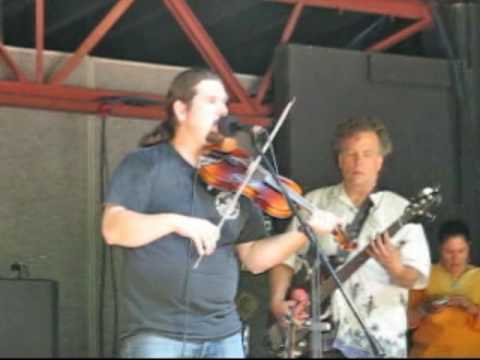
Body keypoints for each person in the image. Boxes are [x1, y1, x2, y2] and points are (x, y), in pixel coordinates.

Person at [101, 68, 341, 358]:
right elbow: (113, 229)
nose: (224, 110)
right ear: (181, 109)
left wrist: (306, 232)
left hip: (223, 335)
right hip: (157, 334)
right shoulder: (145, 164)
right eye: (211, 100)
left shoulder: (238, 176)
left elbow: (253, 258)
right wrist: (177, 222)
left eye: (225, 102)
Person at [269, 116, 432, 358]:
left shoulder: (401, 211)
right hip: (319, 337)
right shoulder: (315, 203)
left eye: (367, 154)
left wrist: (395, 268)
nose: (359, 161)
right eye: (351, 153)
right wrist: (276, 301)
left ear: (379, 161)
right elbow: (285, 257)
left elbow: (417, 278)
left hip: (379, 339)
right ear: (340, 160)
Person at [408, 219, 480, 358]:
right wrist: (424, 308)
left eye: (461, 251)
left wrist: (473, 308)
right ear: (440, 248)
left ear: (469, 247)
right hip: (428, 353)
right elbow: (405, 322)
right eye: (449, 251)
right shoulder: (424, 275)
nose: (455, 258)